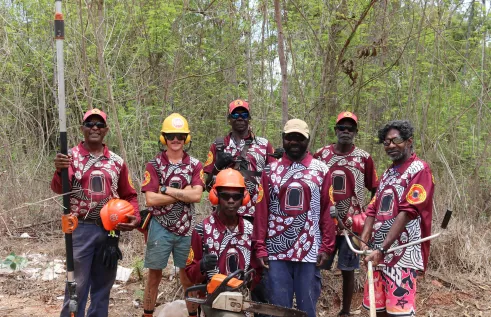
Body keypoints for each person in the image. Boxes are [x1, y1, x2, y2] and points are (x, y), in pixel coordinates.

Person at [51, 108, 140, 317]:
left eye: (99, 124)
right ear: (82, 129)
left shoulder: (117, 162)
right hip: (80, 228)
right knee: (77, 284)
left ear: (106, 130)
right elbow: (59, 188)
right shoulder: (70, 156)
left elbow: (130, 195)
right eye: (90, 124)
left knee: (103, 286)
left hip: (109, 230)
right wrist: (59, 169)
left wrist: (134, 218)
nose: (94, 128)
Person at [252, 119, 336, 317]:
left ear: (307, 140)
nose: (295, 142)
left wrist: (327, 247)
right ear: (283, 139)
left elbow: (327, 210)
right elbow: (262, 211)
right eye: (290, 138)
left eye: (299, 138)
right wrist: (260, 246)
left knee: (307, 308)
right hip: (276, 250)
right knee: (279, 309)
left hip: (309, 250)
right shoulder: (270, 171)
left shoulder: (321, 170)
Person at [360, 120, 434, 317]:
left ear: (409, 141)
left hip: (402, 255)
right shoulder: (388, 173)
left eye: (396, 140)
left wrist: (383, 248)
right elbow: (373, 207)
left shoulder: (419, 169)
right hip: (377, 255)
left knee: (398, 313)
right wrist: (364, 240)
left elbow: (408, 211)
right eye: (386, 142)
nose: (391, 145)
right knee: (378, 310)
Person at [313, 111, 379, 317]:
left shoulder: (364, 158)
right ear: (335, 130)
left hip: (352, 225)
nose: (346, 132)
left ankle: (345, 311)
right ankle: (312, 307)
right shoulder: (321, 155)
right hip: (325, 223)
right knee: (317, 266)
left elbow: (375, 189)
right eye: (342, 128)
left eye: (350, 129)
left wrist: (366, 215)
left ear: (355, 132)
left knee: (348, 269)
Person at [140, 113, 204, 317]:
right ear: (164, 138)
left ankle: (193, 314)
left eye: (179, 135)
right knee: (154, 276)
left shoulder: (195, 164)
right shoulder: (154, 165)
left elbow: (197, 195)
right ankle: (148, 314)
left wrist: (165, 190)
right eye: (170, 135)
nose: (175, 140)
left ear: (186, 137)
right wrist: (182, 194)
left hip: (186, 228)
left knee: (187, 278)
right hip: (159, 226)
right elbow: (150, 199)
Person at [185, 168, 254, 317]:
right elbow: (190, 273)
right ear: (216, 196)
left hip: (243, 297)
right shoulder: (202, 230)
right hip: (213, 298)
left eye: (236, 196)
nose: (231, 201)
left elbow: (257, 271)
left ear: (244, 198)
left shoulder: (250, 229)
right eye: (225, 196)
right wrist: (201, 266)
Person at [203, 99, 278, 223]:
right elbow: (208, 186)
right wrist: (217, 166)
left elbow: (275, 180)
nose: (240, 118)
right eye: (235, 114)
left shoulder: (264, 145)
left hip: (256, 213)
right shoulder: (219, 145)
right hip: (224, 213)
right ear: (229, 119)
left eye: (244, 114)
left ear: (249, 118)